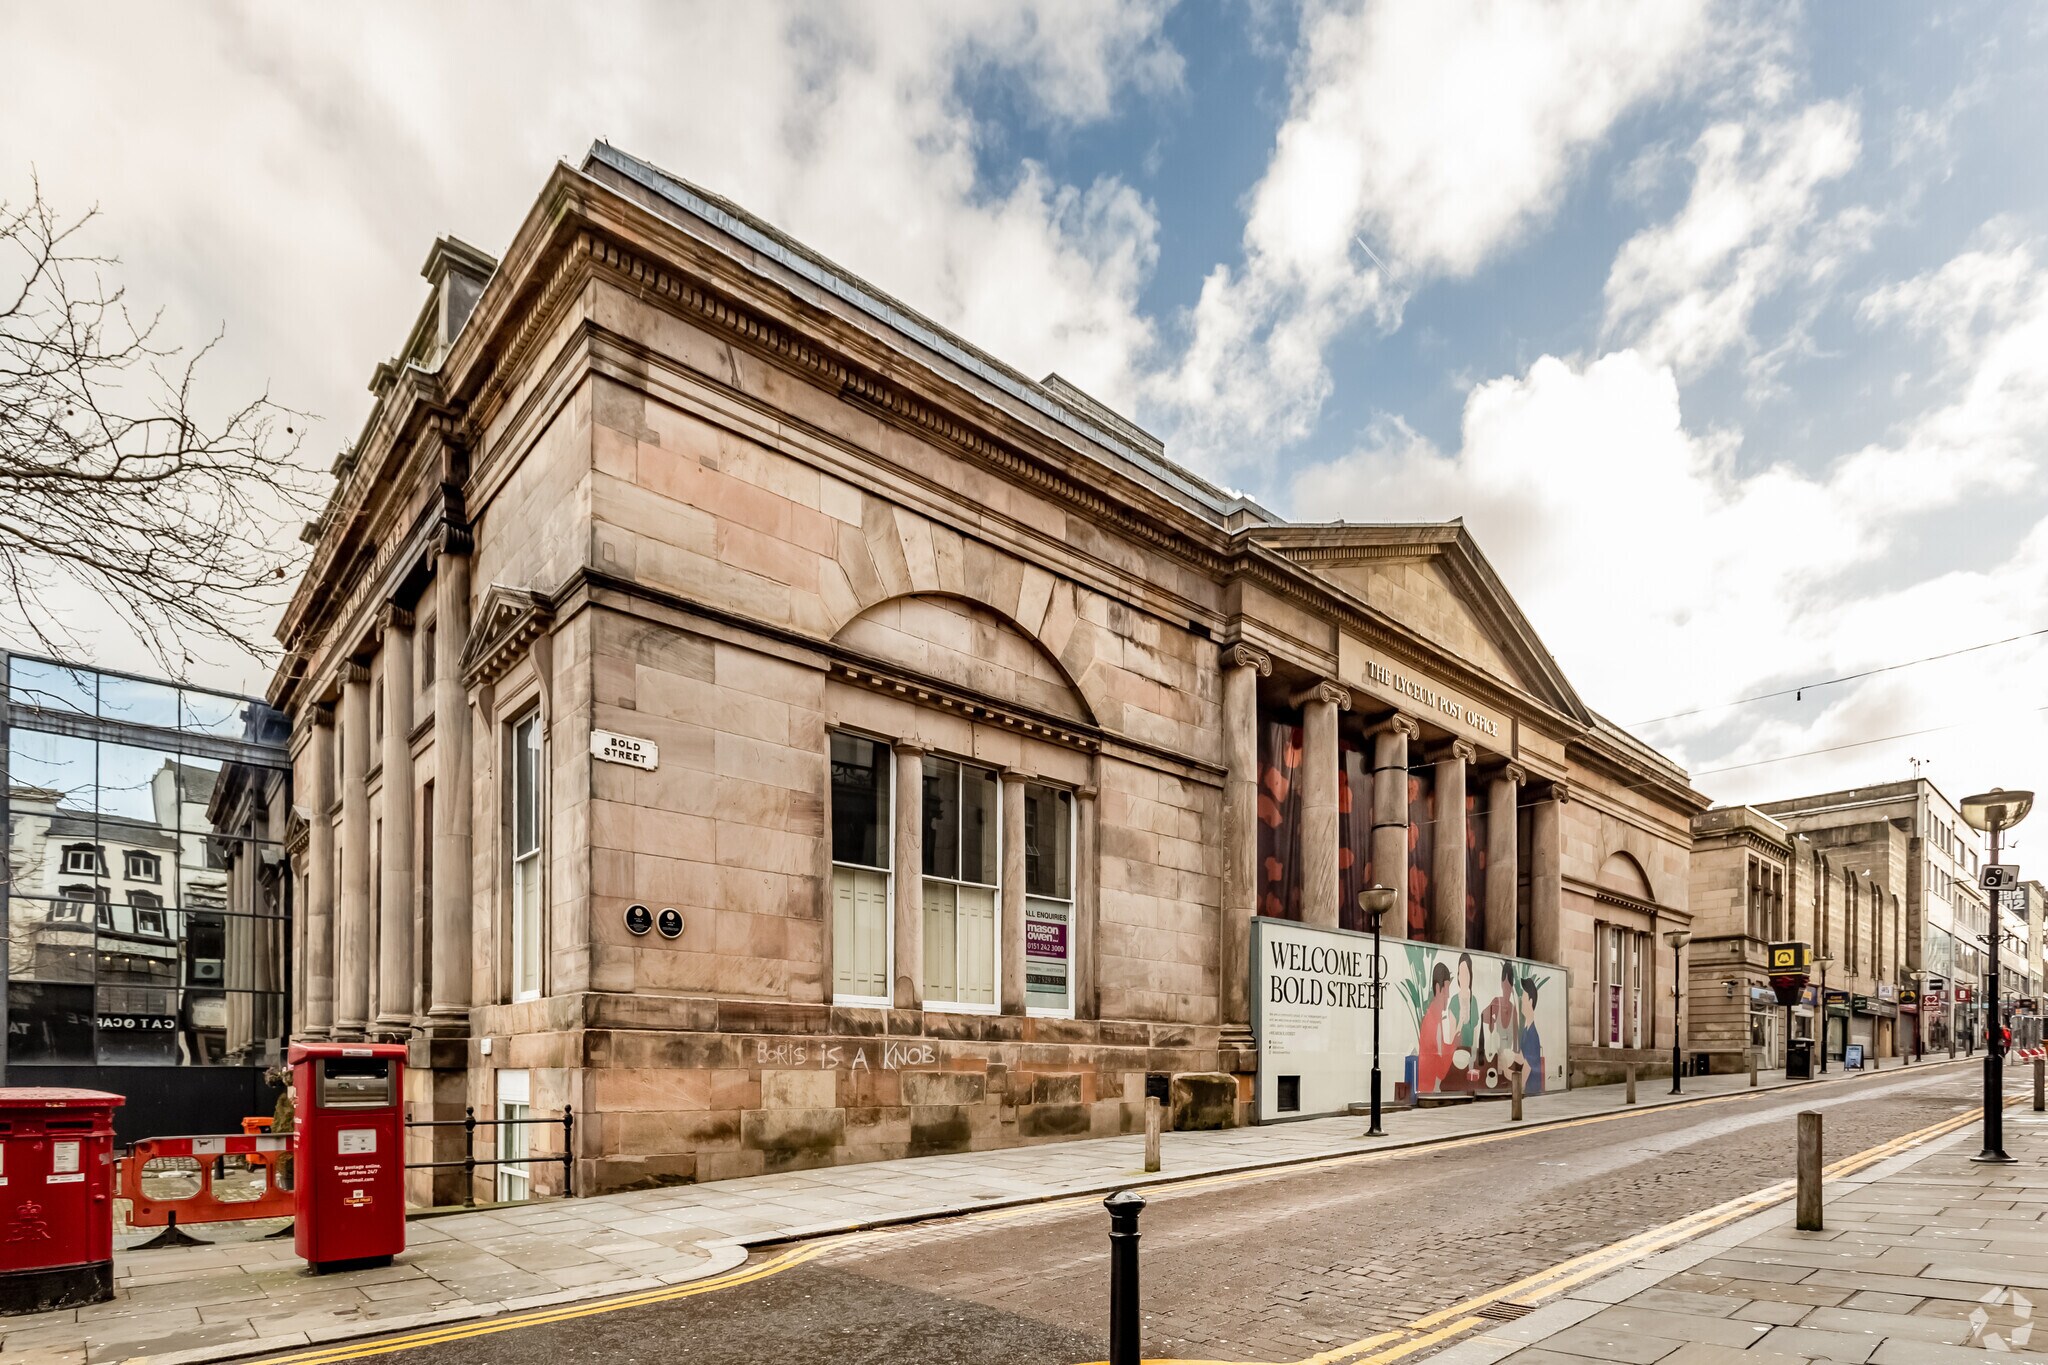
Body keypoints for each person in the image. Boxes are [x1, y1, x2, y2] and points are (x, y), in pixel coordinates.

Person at [1416, 961, 1454, 1094]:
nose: (1448, 996)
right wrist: (1454, 1044)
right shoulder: (1432, 1022)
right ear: (1438, 988)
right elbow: (1441, 1071)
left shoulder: (1435, 1016)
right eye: (1447, 990)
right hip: (1429, 1088)